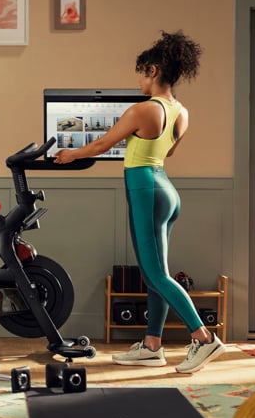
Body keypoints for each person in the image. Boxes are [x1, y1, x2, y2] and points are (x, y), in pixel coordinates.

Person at [54, 31, 224, 374]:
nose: (139, 79)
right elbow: (168, 150)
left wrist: (71, 154)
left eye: (141, 72)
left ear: (153, 70)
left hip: (144, 190)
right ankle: (152, 345)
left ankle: (204, 338)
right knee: (155, 274)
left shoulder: (143, 110)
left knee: (156, 274)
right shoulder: (181, 112)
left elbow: (102, 144)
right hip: (166, 189)